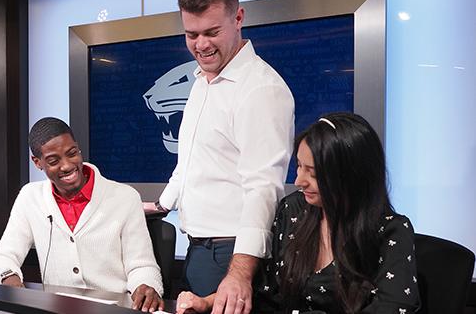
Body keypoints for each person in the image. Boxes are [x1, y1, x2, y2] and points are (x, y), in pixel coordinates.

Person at [143, 0, 295, 313]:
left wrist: (240, 273)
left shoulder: (261, 89)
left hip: (232, 255)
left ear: (238, 17)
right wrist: (161, 205)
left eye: (212, 32)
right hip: (197, 250)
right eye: (191, 34)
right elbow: (191, 162)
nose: (201, 45)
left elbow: (263, 187)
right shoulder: (201, 80)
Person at [175, 113, 420, 313]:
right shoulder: (293, 210)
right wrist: (207, 303)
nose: (299, 180)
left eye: (313, 173)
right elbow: (266, 293)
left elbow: (395, 307)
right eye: (299, 167)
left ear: (349, 175)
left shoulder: (390, 231)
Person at [0, 117, 165, 312]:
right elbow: (2, 257)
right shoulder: (30, 197)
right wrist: (10, 280)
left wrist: (146, 286)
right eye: (54, 161)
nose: (67, 166)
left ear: (78, 148)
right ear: (37, 162)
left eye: (72, 153)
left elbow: (142, 266)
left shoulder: (125, 197)